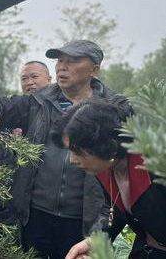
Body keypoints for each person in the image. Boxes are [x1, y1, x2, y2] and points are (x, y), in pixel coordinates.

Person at [0, 40, 132, 259]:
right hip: (35, 215)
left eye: (73, 61)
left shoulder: (114, 108)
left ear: (94, 69)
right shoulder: (38, 101)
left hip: (82, 220)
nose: (62, 66)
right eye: (60, 60)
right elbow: (3, 105)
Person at [50, 100, 165, 259]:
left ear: (107, 144)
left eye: (77, 151)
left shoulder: (156, 165)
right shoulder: (106, 166)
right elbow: (113, 210)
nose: (72, 160)